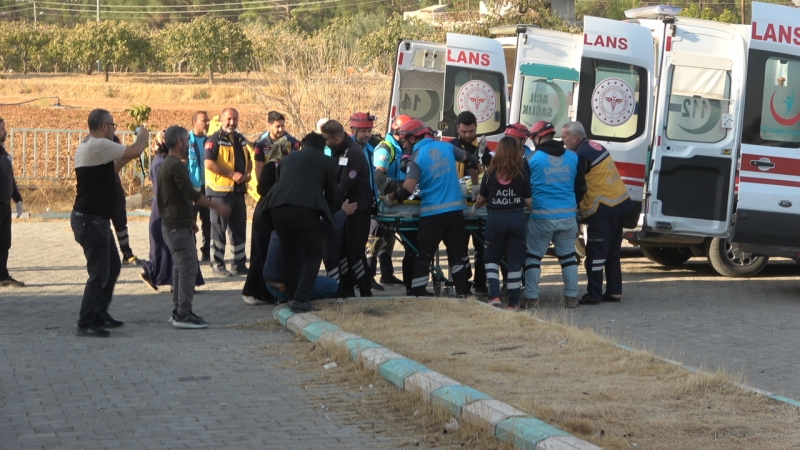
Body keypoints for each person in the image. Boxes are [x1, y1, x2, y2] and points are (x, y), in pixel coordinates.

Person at [71, 109, 149, 337]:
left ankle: (99, 312)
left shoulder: (92, 145)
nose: (115, 130)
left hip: (95, 219)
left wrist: (130, 153)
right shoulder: (98, 144)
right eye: (113, 126)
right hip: (90, 220)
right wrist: (143, 135)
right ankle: (86, 321)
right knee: (98, 273)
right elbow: (136, 150)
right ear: (104, 126)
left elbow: (114, 168)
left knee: (112, 266)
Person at [382, 119, 477, 297]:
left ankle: (418, 292)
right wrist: (476, 185)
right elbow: (471, 160)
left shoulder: (416, 158)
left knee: (424, 255)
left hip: (433, 214)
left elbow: (407, 190)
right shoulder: (446, 147)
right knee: (457, 254)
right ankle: (463, 293)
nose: (403, 145)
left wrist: (390, 198)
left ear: (412, 138)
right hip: (455, 212)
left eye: (404, 141)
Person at [158, 126, 231, 328]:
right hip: (176, 226)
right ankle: (183, 313)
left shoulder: (167, 163)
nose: (189, 145)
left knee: (179, 268)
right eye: (187, 141)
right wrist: (217, 206)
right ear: (179, 142)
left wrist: (190, 219)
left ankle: (178, 311)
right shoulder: (176, 165)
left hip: (174, 223)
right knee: (188, 268)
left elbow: (176, 197)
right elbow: (191, 194)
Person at [267, 132, 338, 313]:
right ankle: (301, 299)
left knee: (289, 252)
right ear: (322, 147)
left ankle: (292, 296)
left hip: (277, 208)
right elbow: (332, 194)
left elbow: (279, 184)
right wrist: (330, 217)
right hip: (305, 209)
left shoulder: (287, 160)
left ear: (303, 145)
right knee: (314, 252)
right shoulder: (327, 162)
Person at [562, 121, 632, 305]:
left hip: (603, 208)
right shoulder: (594, 146)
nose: (563, 142)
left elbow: (577, 184)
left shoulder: (580, 156)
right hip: (620, 203)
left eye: (564, 137)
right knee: (612, 252)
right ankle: (614, 291)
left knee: (596, 253)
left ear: (575, 137)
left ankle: (594, 293)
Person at [523, 121, 587, 309]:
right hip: (567, 217)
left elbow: (524, 189)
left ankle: (532, 298)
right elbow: (581, 187)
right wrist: (572, 205)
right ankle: (571, 297)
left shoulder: (531, 160)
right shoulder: (573, 157)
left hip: (541, 217)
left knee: (533, 258)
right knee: (568, 257)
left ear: (538, 138)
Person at [470, 137, 531, 310]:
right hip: (516, 218)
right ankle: (512, 303)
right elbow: (528, 201)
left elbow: (482, 198)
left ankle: (495, 296)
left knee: (491, 258)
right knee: (515, 261)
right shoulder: (522, 173)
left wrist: (474, 209)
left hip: (496, 219)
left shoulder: (490, 173)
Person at [140, 131, 204, 292]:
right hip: (167, 207)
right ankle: (175, 282)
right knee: (172, 246)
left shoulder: (164, 161)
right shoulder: (163, 162)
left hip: (166, 206)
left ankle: (176, 282)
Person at [264, 200, 358, 302]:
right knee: (332, 285)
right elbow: (326, 228)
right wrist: (344, 212)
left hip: (270, 284)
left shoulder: (280, 219)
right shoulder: (302, 222)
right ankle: (294, 297)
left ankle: (286, 296)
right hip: (287, 286)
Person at [322, 120, 373, 298]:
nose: (325, 143)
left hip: (358, 209)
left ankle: (365, 291)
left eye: (326, 140)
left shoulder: (353, 153)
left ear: (336, 139)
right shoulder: (340, 150)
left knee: (355, 252)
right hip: (345, 208)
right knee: (342, 250)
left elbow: (343, 185)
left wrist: (326, 204)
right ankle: (346, 289)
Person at [241, 137, 292, 306]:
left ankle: (271, 293)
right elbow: (261, 188)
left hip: (277, 212)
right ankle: (252, 291)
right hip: (266, 213)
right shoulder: (270, 167)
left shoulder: (288, 167)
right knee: (261, 253)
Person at [204, 107, 251, 277]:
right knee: (218, 230)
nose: (232, 122)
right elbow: (209, 163)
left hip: (238, 192)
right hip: (219, 193)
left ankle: (239, 264)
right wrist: (232, 174)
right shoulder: (213, 140)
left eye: (235, 119)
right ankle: (217, 265)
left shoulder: (240, 139)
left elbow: (249, 159)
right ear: (222, 120)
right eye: (229, 119)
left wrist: (247, 173)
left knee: (239, 230)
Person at [370, 115, 409, 288]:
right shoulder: (385, 148)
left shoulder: (402, 148)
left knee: (389, 236)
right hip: (381, 201)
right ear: (395, 128)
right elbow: (379, 176)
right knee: (376, 237)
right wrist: (398, 188)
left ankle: (387, 274)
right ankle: (369, 276)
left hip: (394, 200)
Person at [450, 111, 486, 295]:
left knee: (482, 247)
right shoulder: (450, 148)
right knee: (459, 248)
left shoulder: (483, 149)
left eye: (471, 131)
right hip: (457, 205)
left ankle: (481, 284)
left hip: (480, 205)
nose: (468, 135)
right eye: (464, 131)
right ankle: (462, 284)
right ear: (457, 128)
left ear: (476, 128)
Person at [0, 117, 24, 287]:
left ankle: (2, 276)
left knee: (4, 243)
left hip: (4, 205)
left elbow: (10, 179)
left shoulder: (4, 155)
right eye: (1, 129)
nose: (5, 132)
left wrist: (18, 198)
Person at [187, 111, 212, 261]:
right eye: (204, 121)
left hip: (208, 187)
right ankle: (192, 253)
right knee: (191, 221)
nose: (207, 123)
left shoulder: (210, 141)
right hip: (192, 188)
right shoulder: (186, 141)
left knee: (208, 221)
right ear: (195, 122)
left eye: (208, 120)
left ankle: (207, 252)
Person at [255, 111, 300, 180]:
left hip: (286, 181)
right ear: (269, 127)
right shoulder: (261, 145)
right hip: (270, 182)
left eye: (282, 126)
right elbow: (259, 169)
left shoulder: (291, 141)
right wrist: (261, 184)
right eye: (277, 126)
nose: (281, 129)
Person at [111, 172, 142, 266]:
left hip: (113, 181)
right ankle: (108, 256)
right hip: (99, 183)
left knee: (120, 218)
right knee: (102, 223)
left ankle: (127, 253)